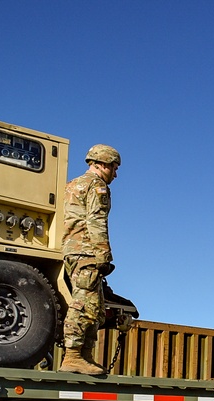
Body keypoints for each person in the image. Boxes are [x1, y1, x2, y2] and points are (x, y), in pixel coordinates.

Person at [58, 144, 121, 375]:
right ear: (103, 164)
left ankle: (84, 356)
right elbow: (96, 220)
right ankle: (73, 355)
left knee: (94, 304)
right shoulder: (97, 186)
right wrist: (103, 254)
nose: (115, 173)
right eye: (114, 167)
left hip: (71, 250)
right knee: (84, 303)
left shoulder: (72, 185)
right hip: (86, 251)